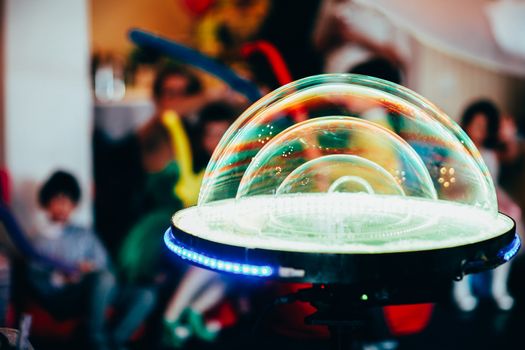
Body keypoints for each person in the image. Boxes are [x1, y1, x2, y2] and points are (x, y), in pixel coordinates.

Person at [29, 171, 154, 349]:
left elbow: (105, 265)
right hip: (65, 297)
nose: (64, 206)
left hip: (99, 290)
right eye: (58, 200)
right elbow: (36, 281)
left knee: (145, 294)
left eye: (69, 202)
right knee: (103, 279)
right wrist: (62, 278)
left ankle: (117, 339)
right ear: (47, 203)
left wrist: (91, 269)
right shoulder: (39, 240)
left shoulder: (83, 234)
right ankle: (96, 339)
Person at [454, 100, 522, 311]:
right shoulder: (459, 148)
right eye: (476, 124)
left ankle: (498, 287)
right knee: (465, 240)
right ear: (467, 123)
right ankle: (461, 290)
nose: (480, 131)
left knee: (511, 222)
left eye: (485, 126)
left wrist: (509, 135)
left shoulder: (492, 151)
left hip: (492, 195)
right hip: (465, 196)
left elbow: (511, 154)